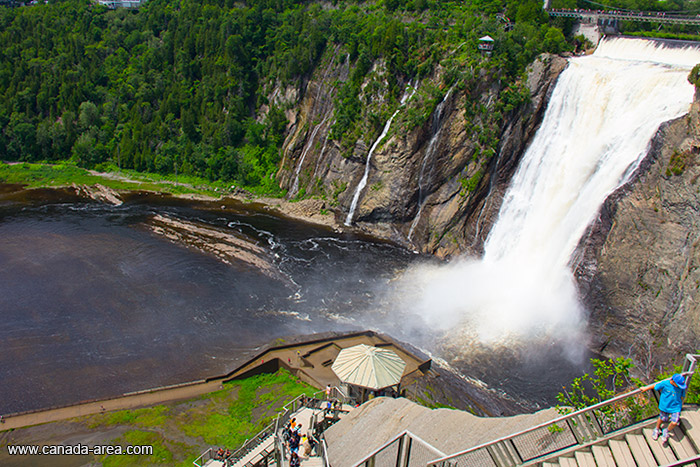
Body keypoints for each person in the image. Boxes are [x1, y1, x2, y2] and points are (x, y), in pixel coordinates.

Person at [644, 373, 687, 444]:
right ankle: (657, 428)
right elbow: (656, 386)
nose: (679, 386)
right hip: (665, 406)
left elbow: (682, 396)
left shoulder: (681, 388)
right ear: (673, 381)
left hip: (675, 407)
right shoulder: (665, 383)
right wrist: (645, 388)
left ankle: (666, 430)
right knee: (662, 418)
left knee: (674, 422)